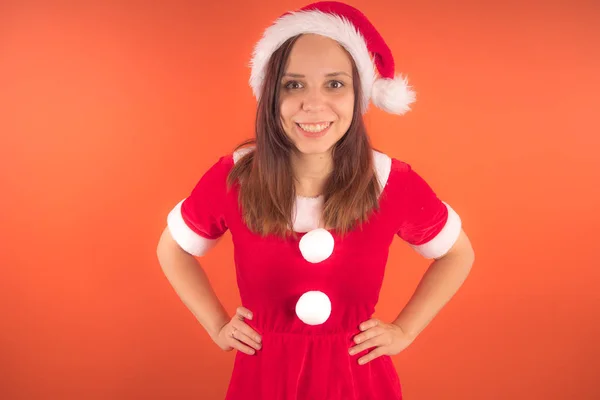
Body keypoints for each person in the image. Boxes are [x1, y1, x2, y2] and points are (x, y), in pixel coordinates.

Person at [156, 1, 475, 399]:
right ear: (271, 96)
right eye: (294, 84)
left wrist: (405, 330)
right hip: (264, 380)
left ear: (359, 93)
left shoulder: (390, 181)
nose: (313, 103)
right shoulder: (236, 177)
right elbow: (173, 248)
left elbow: (457, 253)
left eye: (335, 84)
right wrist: (217, 324)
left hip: (358, 383)